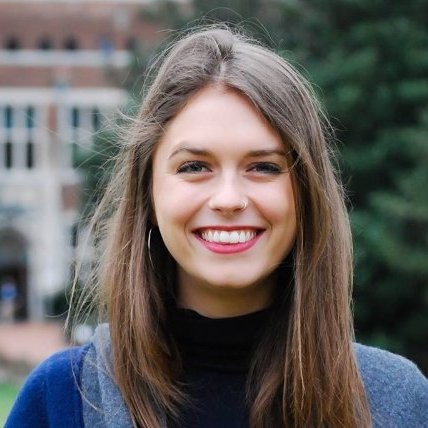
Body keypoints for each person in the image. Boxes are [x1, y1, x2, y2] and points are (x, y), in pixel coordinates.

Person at [6, 26, 427, 428]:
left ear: (306, 194)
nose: (228, 199)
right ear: (149, 193)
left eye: (263, 166)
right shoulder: (63, 399)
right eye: (194, 166)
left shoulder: (397, 401)